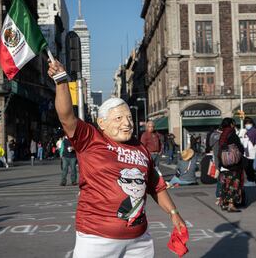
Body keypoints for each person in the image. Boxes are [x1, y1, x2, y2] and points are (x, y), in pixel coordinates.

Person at [48, 59, 186, 257]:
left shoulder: (140, 148)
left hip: (139, 241)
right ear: (101, 123)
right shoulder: (90, 138)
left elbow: (156, 186)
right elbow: (67, 116)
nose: (127, 123)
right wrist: (61, 81)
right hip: (96, 239)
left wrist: (174, 213)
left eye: (129, 117)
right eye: (118, 118)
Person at [218, 118, 245, 213]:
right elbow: (240, 148)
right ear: (231, 124)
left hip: (223, 164)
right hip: (233, 165)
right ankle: (231, 205)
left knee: (225, 184)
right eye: (233, 123)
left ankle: (224, 203)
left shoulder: (222, 135)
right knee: (233, 184)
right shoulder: (233, 134)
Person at [240, 117, 256, 187]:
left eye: (249, 123)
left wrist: (245, 135)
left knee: (249, 167)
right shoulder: (245, 130)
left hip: (251, 151)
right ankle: (250, 180)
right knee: (246, 166)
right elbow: (241, 139)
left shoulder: (254, 130)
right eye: (246, 123)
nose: (248, 125)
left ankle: (252, 181)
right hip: (246, 151)